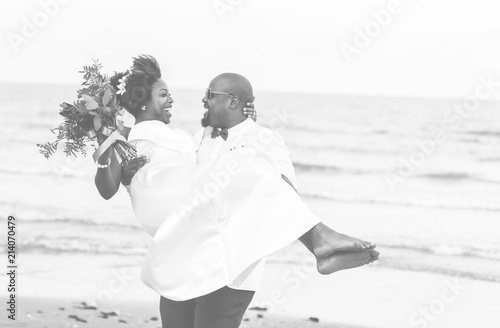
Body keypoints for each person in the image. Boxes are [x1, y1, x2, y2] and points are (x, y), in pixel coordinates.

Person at [94, 55, 378, 328]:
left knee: (252, 168)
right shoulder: (195, 139)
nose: (202, 100)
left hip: (231, 267)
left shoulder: (265, 139)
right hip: (183, 256)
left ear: (232, 101)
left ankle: (320, 239)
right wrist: (130, 169)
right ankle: (320, 240)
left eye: (210, 94)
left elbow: (282, 188)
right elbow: (166, 167)